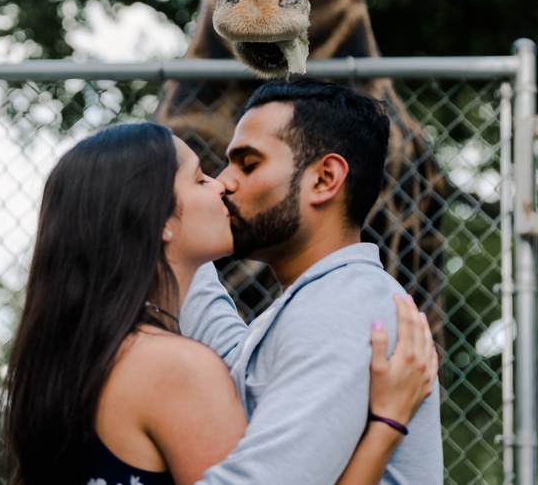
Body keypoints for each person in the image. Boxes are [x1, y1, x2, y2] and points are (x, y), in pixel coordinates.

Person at [0, 120, 437, 485]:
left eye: (243, 166)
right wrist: (387, 425)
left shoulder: (84, 354)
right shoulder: (175, 368)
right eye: (200, 178)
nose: (222, 185)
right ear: (159, 219)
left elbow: (209, 313)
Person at [180, 76, 444, 485]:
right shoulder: (320, 299)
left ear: (324, 180)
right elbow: (227, 350)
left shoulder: (344, 309)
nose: (222, 182)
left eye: (248, 164)